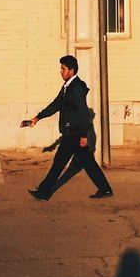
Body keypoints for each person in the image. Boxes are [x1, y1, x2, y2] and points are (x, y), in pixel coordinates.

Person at [22, 55, 113, 201]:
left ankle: (44, 192)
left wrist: (83, 135)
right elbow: (56, 104)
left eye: (63, 69)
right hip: (72, 133)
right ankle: (105, 189)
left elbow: (83, 113)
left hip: (75, 134)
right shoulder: (67, 87)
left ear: (71, 70)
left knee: (59, 164)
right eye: (61, 68)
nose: (61, 71)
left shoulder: (76, 88)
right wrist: (38, 117)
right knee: (88, 163)